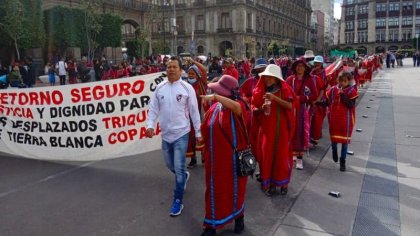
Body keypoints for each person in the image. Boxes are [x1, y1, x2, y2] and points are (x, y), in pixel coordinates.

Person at [146, 57, 202, 217]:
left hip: (181, 133)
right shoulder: (159, 88)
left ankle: (178, 200)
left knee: (178, 167)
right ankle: (183, 176)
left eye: (174, 67)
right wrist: (150, 126)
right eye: (168, 67)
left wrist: (198, 132)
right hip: (166, 135)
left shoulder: (187, 88)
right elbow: (153, 109)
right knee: (170, 165)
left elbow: (194, 111)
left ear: (180, 70)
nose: (171, 69)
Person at [199, 75, 248, 236]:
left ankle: (239, 217)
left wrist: (215, 96)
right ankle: (211, 225)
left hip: (233, 161)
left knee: (235, 190)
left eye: (219, 92)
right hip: (215, 160)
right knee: (214, 192)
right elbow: (206, 128)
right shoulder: (216, 107)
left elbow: (236, 108)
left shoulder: (239, 105)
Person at [251, 64, 295, 196]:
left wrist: (274, 98)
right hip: (265, 131)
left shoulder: (284, 90)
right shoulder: (260, 91)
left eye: (271, 78)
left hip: (282, 130)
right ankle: (268, 184)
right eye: (266, 77)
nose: (268, 80)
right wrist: (261, 109)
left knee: (282, 157)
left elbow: (289, 106)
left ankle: (282, 183)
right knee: (266, 157)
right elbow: (253, 109)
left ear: (277, 79)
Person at [321, 72, 358, 171]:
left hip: (346, 120)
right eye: (341, 81)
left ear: (349, 81)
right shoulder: (333, 90)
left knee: (344, 142)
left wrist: (342, 95)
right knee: (334, 141)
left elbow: (351, 105)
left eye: (345, 81)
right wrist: (317, 103)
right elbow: (327, 102)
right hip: (334, 119)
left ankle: (343, 162)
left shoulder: (352, 91)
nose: (342, 83)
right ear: (338, 80)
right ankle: (334, 151)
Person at [286, 59, 317, 170]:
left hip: (302, 111)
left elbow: (314, 95)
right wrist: (291, 99)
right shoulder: (290, 79)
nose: (299, 68)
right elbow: (285, 92)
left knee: (300, 132)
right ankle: (293, 154)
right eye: (298, 66)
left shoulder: (309, 80)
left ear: (305, 68)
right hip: (290, 109)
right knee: (291, 131)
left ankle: (299, 157)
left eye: (302, 66)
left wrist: (302, 98)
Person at [183, 58, 208, 168]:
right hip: (189, 117)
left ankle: (204, 157)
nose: (191, 76)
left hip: (202, 115)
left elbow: (204, 69)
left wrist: (193, 61)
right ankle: (193, 159)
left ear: (198, 75)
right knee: (191, 138)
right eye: (189, 74)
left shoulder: (202, 83)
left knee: (202, 136)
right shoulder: (185, 86)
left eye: (193, 74)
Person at [309, 55, 328, 147]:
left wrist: (318, 100)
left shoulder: (325, 74)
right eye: (315, 63)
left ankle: (315, 138)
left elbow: (324, 89)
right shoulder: (311, 73)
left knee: (317, 120)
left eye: (318, 63)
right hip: (311, 99)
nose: (317, 65)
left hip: (321, 100)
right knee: (310, 120)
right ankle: (310, 138)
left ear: (321, 64)